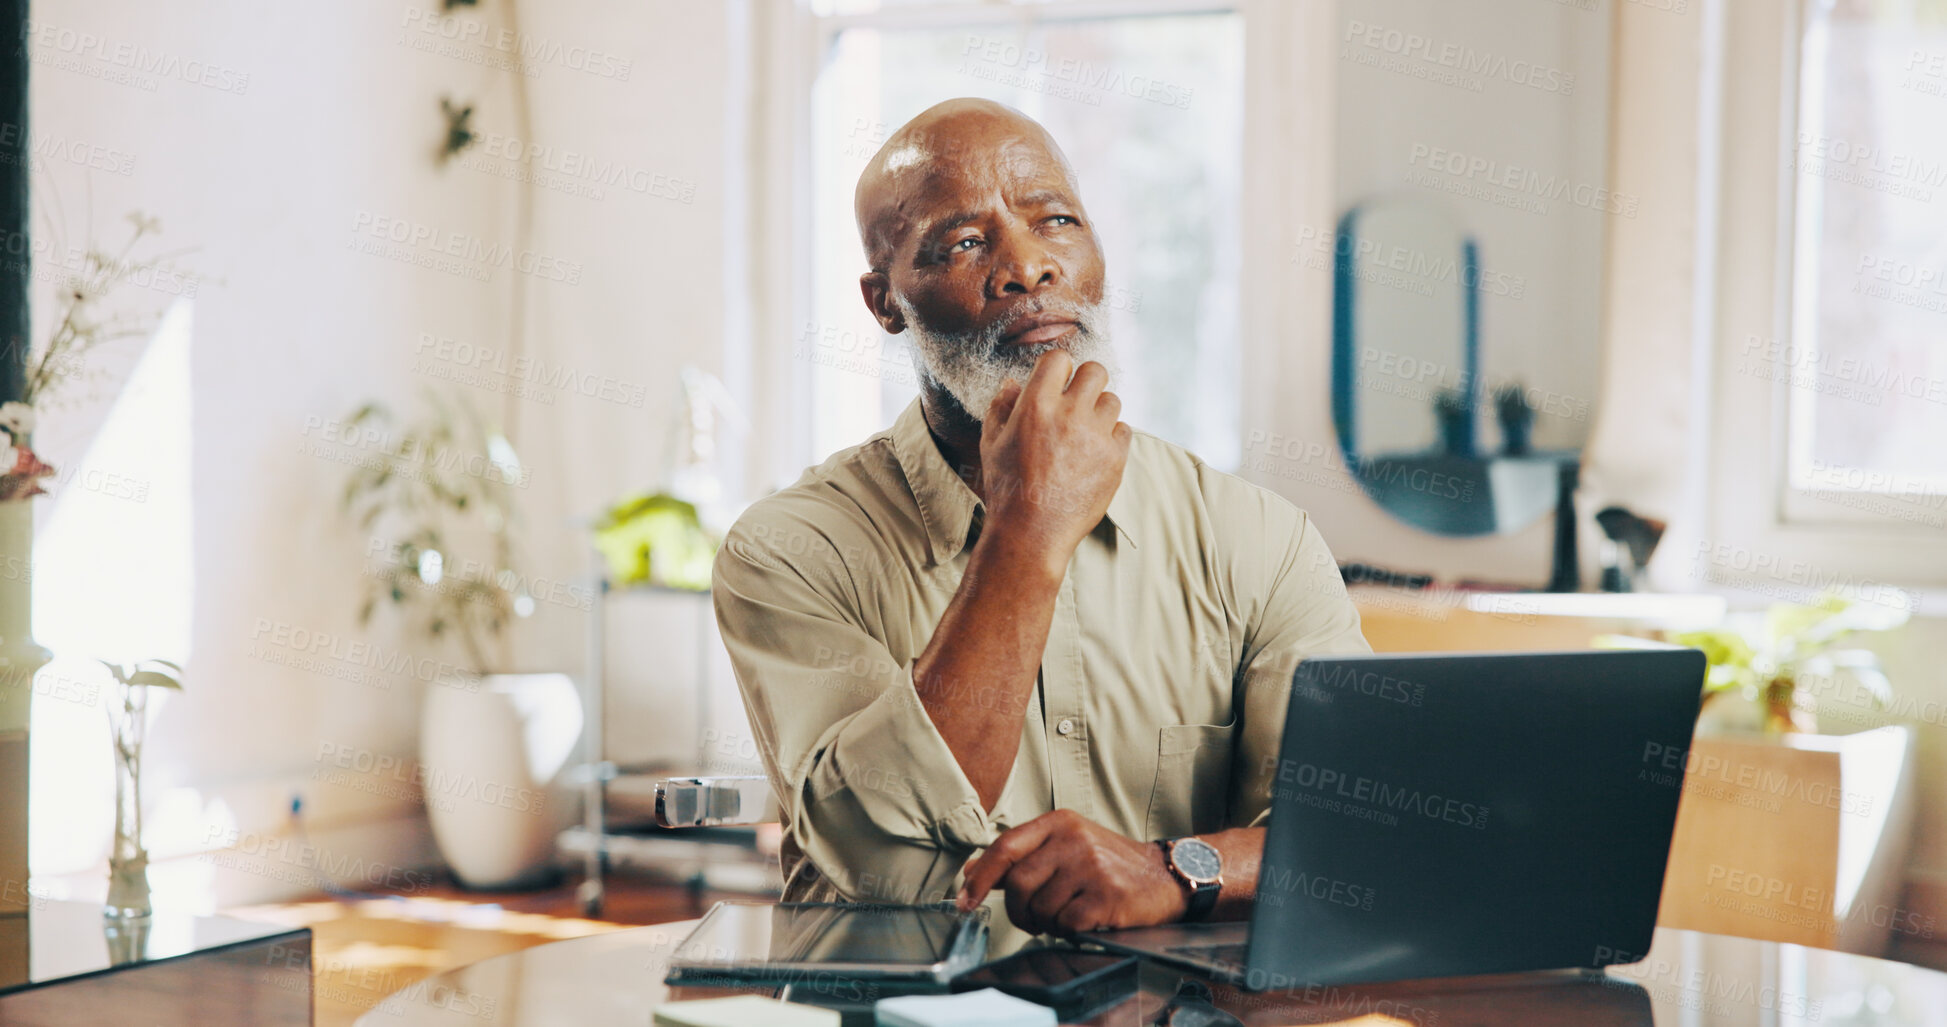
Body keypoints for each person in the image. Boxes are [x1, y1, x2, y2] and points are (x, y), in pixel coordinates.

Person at [713, 98, 1369, 948]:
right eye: (962, 244)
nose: (1027, 267)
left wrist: (1174, 868)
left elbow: (1359, 843)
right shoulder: (789, 550)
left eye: (1054, 220)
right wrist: (1025, 532)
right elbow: (884, 864)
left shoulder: (1257, 538)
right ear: (884, 302)